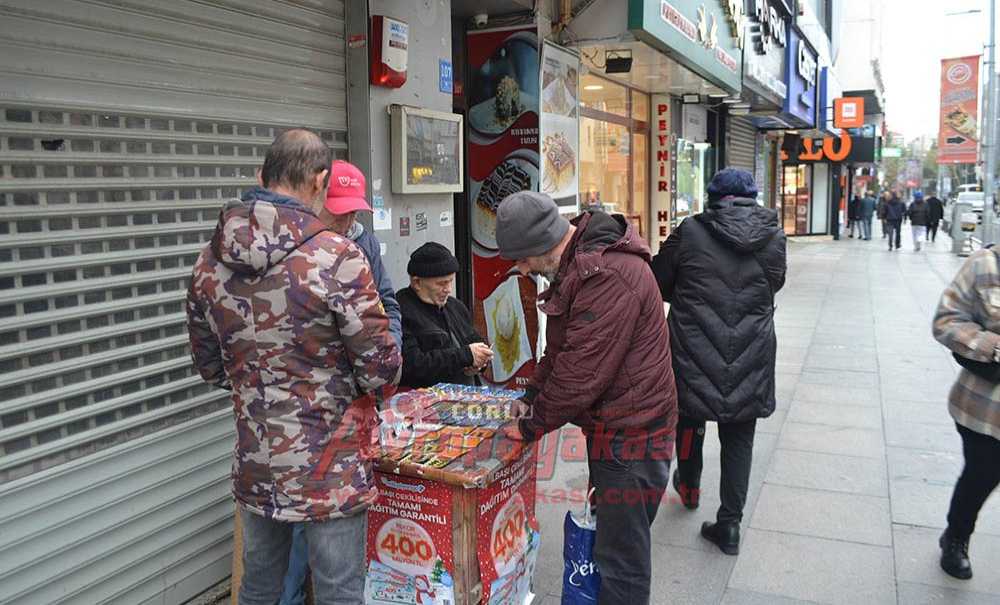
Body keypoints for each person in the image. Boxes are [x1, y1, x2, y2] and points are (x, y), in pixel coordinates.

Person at [186, 129, 401, 605]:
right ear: (320, 180)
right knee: (339, 590)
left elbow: (210, 366)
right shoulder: (337, 257)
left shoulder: (208, 263)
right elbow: (381, 368)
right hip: (331, 464)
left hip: (257, 458)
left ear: (262, 177)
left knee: (260, 586)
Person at [496, 191, 677, 605]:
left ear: (542, 244)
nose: (520, 269)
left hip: (633, 435)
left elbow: (581, 374)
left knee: (621, 558)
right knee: (612, 541)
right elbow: (559, 349)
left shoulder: (606, 275)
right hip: (619, 426)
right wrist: (532, 393)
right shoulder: (580, 262)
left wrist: (530, 425)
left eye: (521, 259)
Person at [279, 160, 402, 605]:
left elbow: (387, 303)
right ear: (315, 198)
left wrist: (391, 352)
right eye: (339, 211)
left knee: (337, 555)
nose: (349, 221)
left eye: (355, 211)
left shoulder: (361, 241)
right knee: (298, 534)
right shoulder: (291, 250)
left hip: (354, 409)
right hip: (301, 420)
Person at [652, 168, 786, 556]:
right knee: (739, 434)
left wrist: (692, 296)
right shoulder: (774, 236)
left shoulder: (691, 231)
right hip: (752, 350)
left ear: (712, 197)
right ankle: (729, 525)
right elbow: (775, 283)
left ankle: (690, 486)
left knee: (690, 420)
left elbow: (658, 281)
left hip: (693, 347)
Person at [932, 248, 1000, 580]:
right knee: (982, 475)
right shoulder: (986, 264)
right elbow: (946, 320)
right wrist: (992, 346)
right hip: (987, 409)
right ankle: (956, 536)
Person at [397, 242, 493, 388]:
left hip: (465, 396)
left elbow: (473, 340)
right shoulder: (401, 311)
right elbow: (412, 365)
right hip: (425, 402)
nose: (448, 289)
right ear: (417, 282)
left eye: (450, 282)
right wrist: (465, 356)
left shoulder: (455, 306)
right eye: (441, 284)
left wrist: (480, 360)